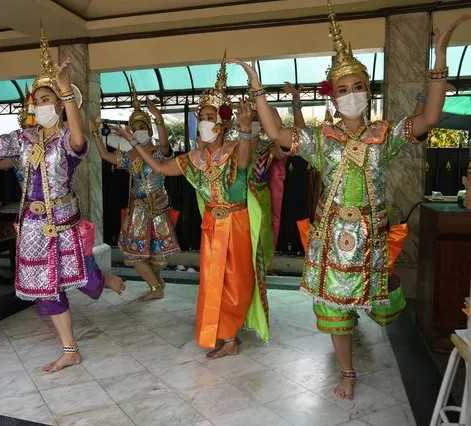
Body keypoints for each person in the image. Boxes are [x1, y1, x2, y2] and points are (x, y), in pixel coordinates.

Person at [231, 1, 469, 400]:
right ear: (333, 97)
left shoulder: (385, 134)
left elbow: (429, 118)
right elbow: (274, 130)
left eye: (358, 87)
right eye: (342, 90)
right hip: (332, 235)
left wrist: (439, 60)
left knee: (383, 305)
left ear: (367, 90)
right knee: (334, 307)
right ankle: (348, 370)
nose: (351, 95)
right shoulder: (323, 138)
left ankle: (366, 320)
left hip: (372, 236)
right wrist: (258, 87)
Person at [0, 25, 125, 374]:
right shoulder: (24, 137)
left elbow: (80, 141)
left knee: (77, 275)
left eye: (47, 100)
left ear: (62, 106)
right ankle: (71, 349)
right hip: (33, 226)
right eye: (38, 100)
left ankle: (101, 280)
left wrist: (66, 92)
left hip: (62, 221)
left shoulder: (66, 138)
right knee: (45, 288)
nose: (41, 105)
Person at [112, 53, 269, 359]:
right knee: (213, 283)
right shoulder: (194, 160)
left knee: (237, 282)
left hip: (236, 223)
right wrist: (134, 143)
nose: (205, 123)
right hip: (212, 225)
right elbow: (160, 169)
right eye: (203, 117)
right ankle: (223, 337)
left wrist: (247, 128)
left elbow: (248, 160)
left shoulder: (235, 149)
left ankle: (231, 336)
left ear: (223, 123)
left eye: (211, 117)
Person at [92, 81, 180, 301]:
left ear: (149, 131)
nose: (139, 132)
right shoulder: (129, 155)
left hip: (159, 208)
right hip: (138, 210)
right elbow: (105, 155)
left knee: (160, 252)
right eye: (136, 128)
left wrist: (158, 115)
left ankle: (156, 284)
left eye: (143, 128)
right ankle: (155, 286)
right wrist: (95, 132)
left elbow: (165, 141)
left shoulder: (160, 153)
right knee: (134, 251)